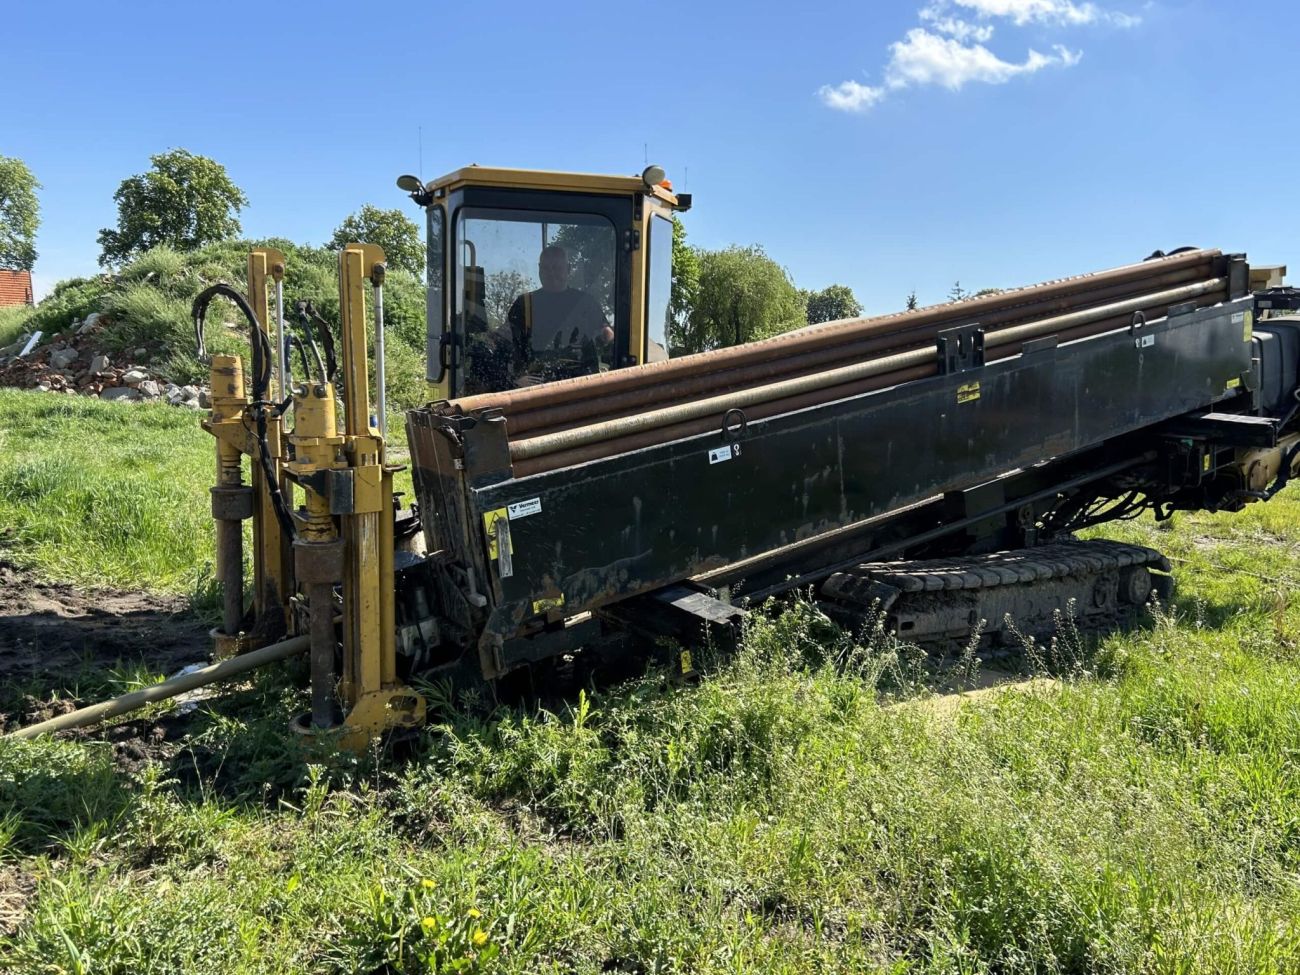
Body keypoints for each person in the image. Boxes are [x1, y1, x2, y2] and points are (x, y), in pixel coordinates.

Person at [506, 244, 614, 378]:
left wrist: (606, 337)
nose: (551, 273)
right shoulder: (524, 304)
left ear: (568, 269)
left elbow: (606, 334)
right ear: (539, 269)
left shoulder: (585, 303)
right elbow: (506, 341)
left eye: (557, 268)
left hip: (582, 382)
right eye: (546, 268)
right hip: (537, 383)